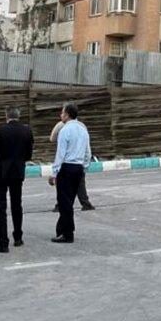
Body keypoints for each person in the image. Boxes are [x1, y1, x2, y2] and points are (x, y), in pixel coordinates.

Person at [0, 105, 34, 253]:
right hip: (18, 172)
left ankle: (3, 242)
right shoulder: (27, 130)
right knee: (16, 204)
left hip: (1, 172)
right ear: (18, 116)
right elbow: (28, 155)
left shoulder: (1, 130)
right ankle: (18, 237)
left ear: (6, 115)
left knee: (0, 207)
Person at [48, 102, 91, 243]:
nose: (61, 115)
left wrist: (54, 173)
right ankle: (61, 230)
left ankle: (68, 233)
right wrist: (84, 167)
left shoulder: (65, 130)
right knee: (69, 200)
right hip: (78, 168)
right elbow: (87, 152)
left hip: (66, 167)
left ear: (67, 114)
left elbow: (60, 154)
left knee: (64, 202)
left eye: (62, 112)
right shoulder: (83, 129)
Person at [50, 115, 95, 213]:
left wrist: (54, 172)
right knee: (80, 183)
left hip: (65, 161)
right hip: (79, 162)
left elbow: (52, 138)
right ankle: (85, 203)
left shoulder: (60, 126)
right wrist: (85, 164)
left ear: (67, 114)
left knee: (63, 186)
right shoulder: (82, 126)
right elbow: (87, 148)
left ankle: (60, 205)